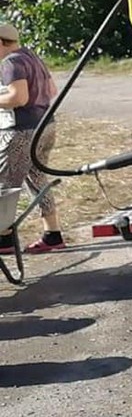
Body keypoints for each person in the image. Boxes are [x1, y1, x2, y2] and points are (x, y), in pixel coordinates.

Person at [0, 22, 64, 254]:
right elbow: (53, 89)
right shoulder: (31, 57)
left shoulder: (10, 63)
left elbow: (18, 97)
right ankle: (52, 234)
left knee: (5, 184)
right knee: (37, 178)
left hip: (23, 132)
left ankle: (4, 240)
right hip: (46, 127)